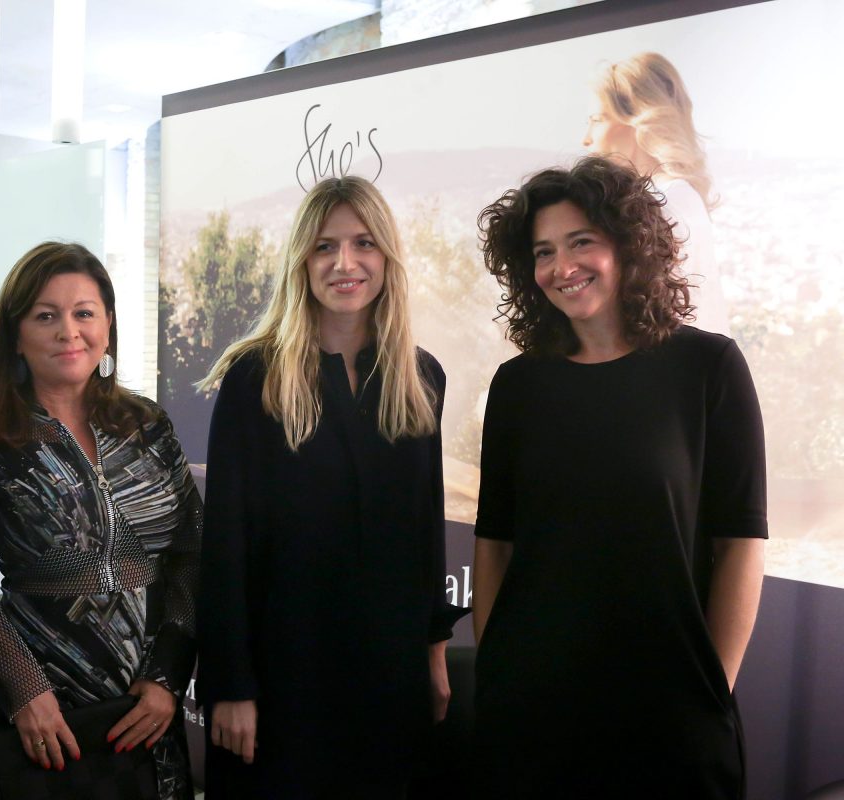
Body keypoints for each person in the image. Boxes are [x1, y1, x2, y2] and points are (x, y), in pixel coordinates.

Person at [472, 156, 766, 798]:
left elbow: (740, 543)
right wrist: (496, 672)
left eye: (581, 242)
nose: (562, 266)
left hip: (671, 712)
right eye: (544, 252)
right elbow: (494, 542)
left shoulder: (708, 368)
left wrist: (711, 691)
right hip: (533, 712)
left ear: (630, 245)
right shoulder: (518, 386)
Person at [197, 176, 465, 799]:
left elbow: (424, 529)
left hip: (389, 675)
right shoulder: (255, 378)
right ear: (302, 261)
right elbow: (226, 544)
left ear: (387, 258)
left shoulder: (420, 376)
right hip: (283, 676)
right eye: (325, 246)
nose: (345, 263)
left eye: (363, 243)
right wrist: (231, 685)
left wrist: (433, 654)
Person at [0, 242, 201, 800]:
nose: (68, 332)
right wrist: (23, 689)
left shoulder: (148, 426)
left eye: (84, 313)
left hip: (145, 717)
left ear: (108, 324)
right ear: (16, 335)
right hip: (41, 724)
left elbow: (191, 555)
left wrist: (167, 679)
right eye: (45, 316)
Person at [583, 51, 730, 335]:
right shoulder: (678, 194)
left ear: (638, 118)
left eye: (597, 119)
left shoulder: (661, 202)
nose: (586, 138)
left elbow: (653, 317)